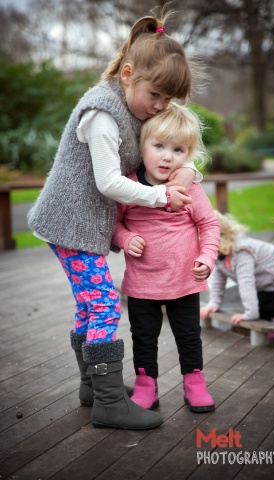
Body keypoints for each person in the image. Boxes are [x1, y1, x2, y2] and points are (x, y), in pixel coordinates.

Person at [27, 7, 203, 431]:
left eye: (168, 100)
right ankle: (108, 403)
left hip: (81, 226)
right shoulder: (103, 115)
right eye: (156, 96)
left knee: (90, 303)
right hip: (68, 223)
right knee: (104, 301)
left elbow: (167, 151)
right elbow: (109, 182)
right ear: (128, 75)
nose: (159, 107)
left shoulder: (131, 108)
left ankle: (92, 385)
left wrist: (189, 171)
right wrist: (162, 196)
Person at [112, 102, 220, 413]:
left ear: (188, 156)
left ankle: (194, 381)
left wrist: (207, 257)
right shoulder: (129, 187)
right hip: (142, 284)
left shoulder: (189, 188)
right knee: (144, 338)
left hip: (184, 281)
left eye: (178, 150)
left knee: (189, 336)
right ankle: (147, 385)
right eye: (159, 146)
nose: (167, 156)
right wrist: (126, 237)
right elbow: (115, 224)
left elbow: (209, 224)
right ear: (141, 146)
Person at [200, 210, 274, 326]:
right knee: (257, 302)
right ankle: (270, 326)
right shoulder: (219, 252)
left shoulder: (241, 251)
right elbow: (218, 279)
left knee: (258, 303)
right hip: (267, 276)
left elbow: (246, 282)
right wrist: (214, 303)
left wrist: (250, 314)